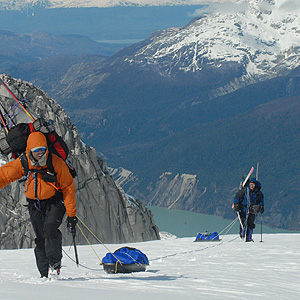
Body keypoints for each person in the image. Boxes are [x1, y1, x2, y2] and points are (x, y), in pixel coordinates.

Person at [0, 132, 77, 278]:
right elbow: (4, 175)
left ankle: (54, 266)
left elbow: (68, 188)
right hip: (35, 204)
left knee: (50, 230)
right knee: (41, 238)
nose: (40, 153)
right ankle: (44, 274)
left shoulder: (55, 162)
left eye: (43, 149)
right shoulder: (24, 162)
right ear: (30, 150)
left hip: (55, 202)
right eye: (37, 150)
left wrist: (72, 215)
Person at [233, 177, 264, 242]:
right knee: (243, 222)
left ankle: (249, 238)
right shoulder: (244, 191)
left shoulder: (258, 192)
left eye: (253, 185)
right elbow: (237, 197)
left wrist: (261, 206)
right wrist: (236, 205)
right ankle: (242, 234)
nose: (251, 186)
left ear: (255, 185)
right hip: (243, 209)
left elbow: (261, 199)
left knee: (250, 223)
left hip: (253, 210)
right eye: (250, 185)